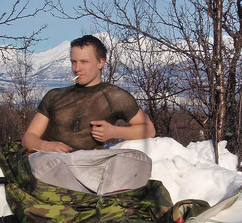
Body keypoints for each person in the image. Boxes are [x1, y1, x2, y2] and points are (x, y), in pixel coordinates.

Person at [21, 35, 156, 194]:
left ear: (101, 62)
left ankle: (89, 196)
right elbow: (29, 137)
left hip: (88, 162)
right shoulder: (55, 96)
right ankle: (88, 199)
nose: (77, 68)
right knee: (43, 163)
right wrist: (46, 146)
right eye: (74, 62)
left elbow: (149, 129)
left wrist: (113, 131)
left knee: (139, 161)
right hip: (52, 161)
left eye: (84, 62)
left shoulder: (114, 96)